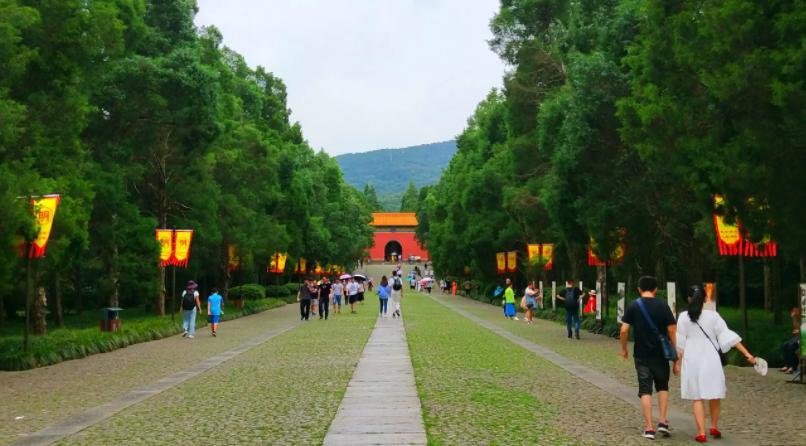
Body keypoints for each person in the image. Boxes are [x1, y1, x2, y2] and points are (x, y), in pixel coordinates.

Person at [676, 285, 756, 443]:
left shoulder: (683, 317)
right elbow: (728, 336)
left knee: (697, 396)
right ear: (705, 299)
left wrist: (677, 362)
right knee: (714, 393)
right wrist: (747, 353)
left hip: (692, 358)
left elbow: (680, 344)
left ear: (689, 299)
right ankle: (713, 426)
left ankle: (701, 432)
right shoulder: (713, 316)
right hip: (711, 358)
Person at [619, 276, 678, 440]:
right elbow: (672, 329)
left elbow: (624, 330)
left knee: (645, 390)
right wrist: (675, 352)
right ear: (656, 289)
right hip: (661, 355)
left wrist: (624, 349)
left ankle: (649, 428)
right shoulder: (663, 305)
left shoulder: (634, 305)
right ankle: (663, 422)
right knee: (663, 387)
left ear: (639, 289)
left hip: (641, 355)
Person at [780, 306, 801, 374]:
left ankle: (793, 367)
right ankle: (787, 365)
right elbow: (795, 328)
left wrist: (798, 331)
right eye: (793, 311)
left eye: (795, 311)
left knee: (792, 346)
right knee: (785, 345)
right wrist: (794, 318)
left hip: (802, 337)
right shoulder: (797, 318)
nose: (794, 312)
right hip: (797, 337)